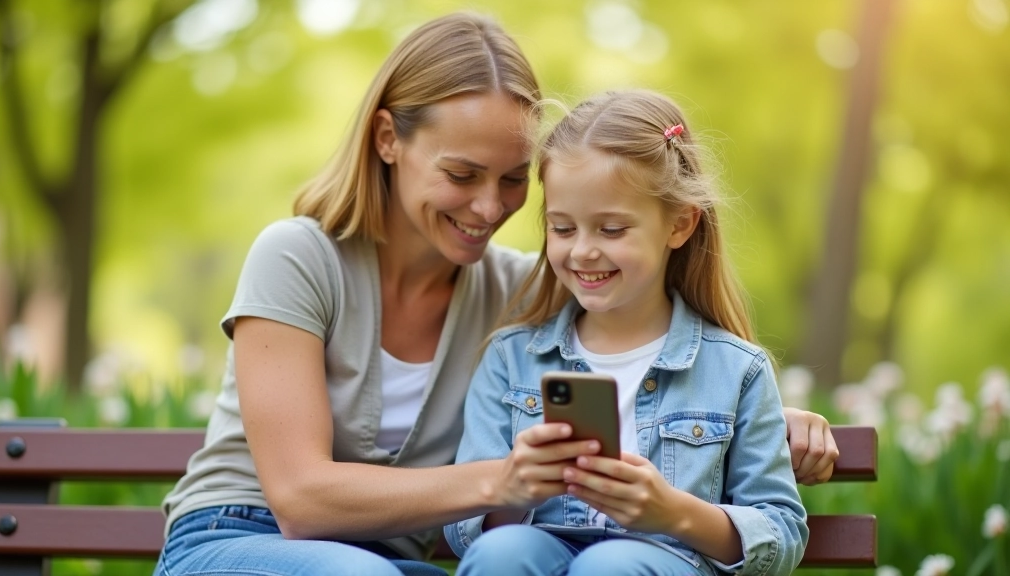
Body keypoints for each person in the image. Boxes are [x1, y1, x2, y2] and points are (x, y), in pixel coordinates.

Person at [155, 13, 836, 576]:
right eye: (462, 174)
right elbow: (300, 501)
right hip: (238, 535)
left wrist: (784, 416)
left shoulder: (518, 291)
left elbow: (644, 344)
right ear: (388, 138)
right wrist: (499, 483)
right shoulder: (298, 257)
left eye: (513, 181)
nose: (489, 207)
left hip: (384, 563)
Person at [444, 90, 808, 575]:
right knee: (502, 552)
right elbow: (464, 524)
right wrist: (513, 487)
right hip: (542, 553)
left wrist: (674, 512)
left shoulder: (736, 370)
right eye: (563, 228)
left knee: (610, 564)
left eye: (611, 230)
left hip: (666, 560)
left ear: (679, 225)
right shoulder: (511, 358)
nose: (583, 252)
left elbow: (780, 530)